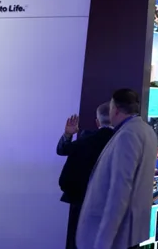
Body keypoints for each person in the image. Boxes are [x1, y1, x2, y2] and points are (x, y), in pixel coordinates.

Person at [76, 89, 158, 249]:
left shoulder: (128, 135)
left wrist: (103, 241)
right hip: (131, 233)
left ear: (116, 109)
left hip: (117, 236)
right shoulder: (147, 131)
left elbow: (120, 191)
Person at [57, 104, 116, 249]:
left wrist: (68, 135)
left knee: (77, 241)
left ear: (97, 122)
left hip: (80, 200)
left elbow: (62, 150)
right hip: (110, 203)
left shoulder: (86, 139)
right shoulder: (122, 140)